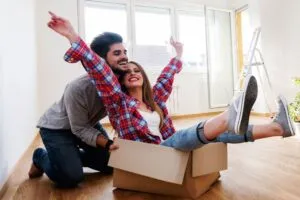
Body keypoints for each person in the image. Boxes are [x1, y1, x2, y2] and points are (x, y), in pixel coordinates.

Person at [48, 12, 295, 152]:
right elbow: (100, 70)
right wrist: (72, 36)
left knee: (217, 135)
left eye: (136, 69)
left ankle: (277, 128)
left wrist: (178, 55)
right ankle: (228, 115)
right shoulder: (117, 101)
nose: (131, 70)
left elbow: (166, 79)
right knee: (198, 130)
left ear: (143, 77)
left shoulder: (154, 102)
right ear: (119, 82)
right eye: (126, 71)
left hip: (167, 148)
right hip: (150, 154)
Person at [28, 33, 125, 187]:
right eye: (117, 53)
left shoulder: (121, 84)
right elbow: (79, 128)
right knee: (71, 177)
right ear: (100, 60)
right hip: (57, 128)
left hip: (87, 124)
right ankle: (40, 156)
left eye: (125, 52)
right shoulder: (78, 88)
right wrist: (107, 144)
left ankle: (67, 157)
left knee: (111, 165)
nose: (124, 57)